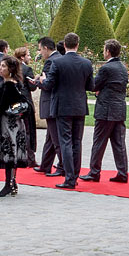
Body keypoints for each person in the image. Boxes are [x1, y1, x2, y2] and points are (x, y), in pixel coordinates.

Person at [45, 32, 94, 189]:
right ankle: (75, 174)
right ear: (77, 45)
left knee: (65, 141)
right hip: (79, 106)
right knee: (76, 142)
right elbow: (90, 86)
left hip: (63, 106)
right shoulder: (86, 63)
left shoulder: (58, 63)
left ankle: (69, 177)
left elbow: (49, 85)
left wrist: (41, 81)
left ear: (64, 45)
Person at [0, 54, 33, 196]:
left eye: (3, 66)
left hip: (8, 125)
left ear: (11, 69)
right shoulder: (14, 85)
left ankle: (9, 183)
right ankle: (11, 182)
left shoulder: (9, 86)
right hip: (11, 124)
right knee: (11, 152)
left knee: (9, 152)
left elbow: (1, 107)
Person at [84, 38, 129, 183]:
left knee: (99, 142)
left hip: (106, 110)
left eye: (104, 49)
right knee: (119, 143)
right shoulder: (123, 67)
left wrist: (97, 89)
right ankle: (123, 172)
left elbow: (94, 85)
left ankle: (94, 172)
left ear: (108, 51)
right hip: (119, 109)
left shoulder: (106, 68)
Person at [33, 37, 61, 174]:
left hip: (51, 103)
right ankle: (46, 164)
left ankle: (63, 165)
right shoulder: (58, 58)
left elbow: (48, 84)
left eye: (40, 49)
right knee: (51, 137)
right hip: (55, 103)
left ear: (45, 48)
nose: (40, 53)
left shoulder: (51, 61)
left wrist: (38, 82)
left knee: (55, 137)